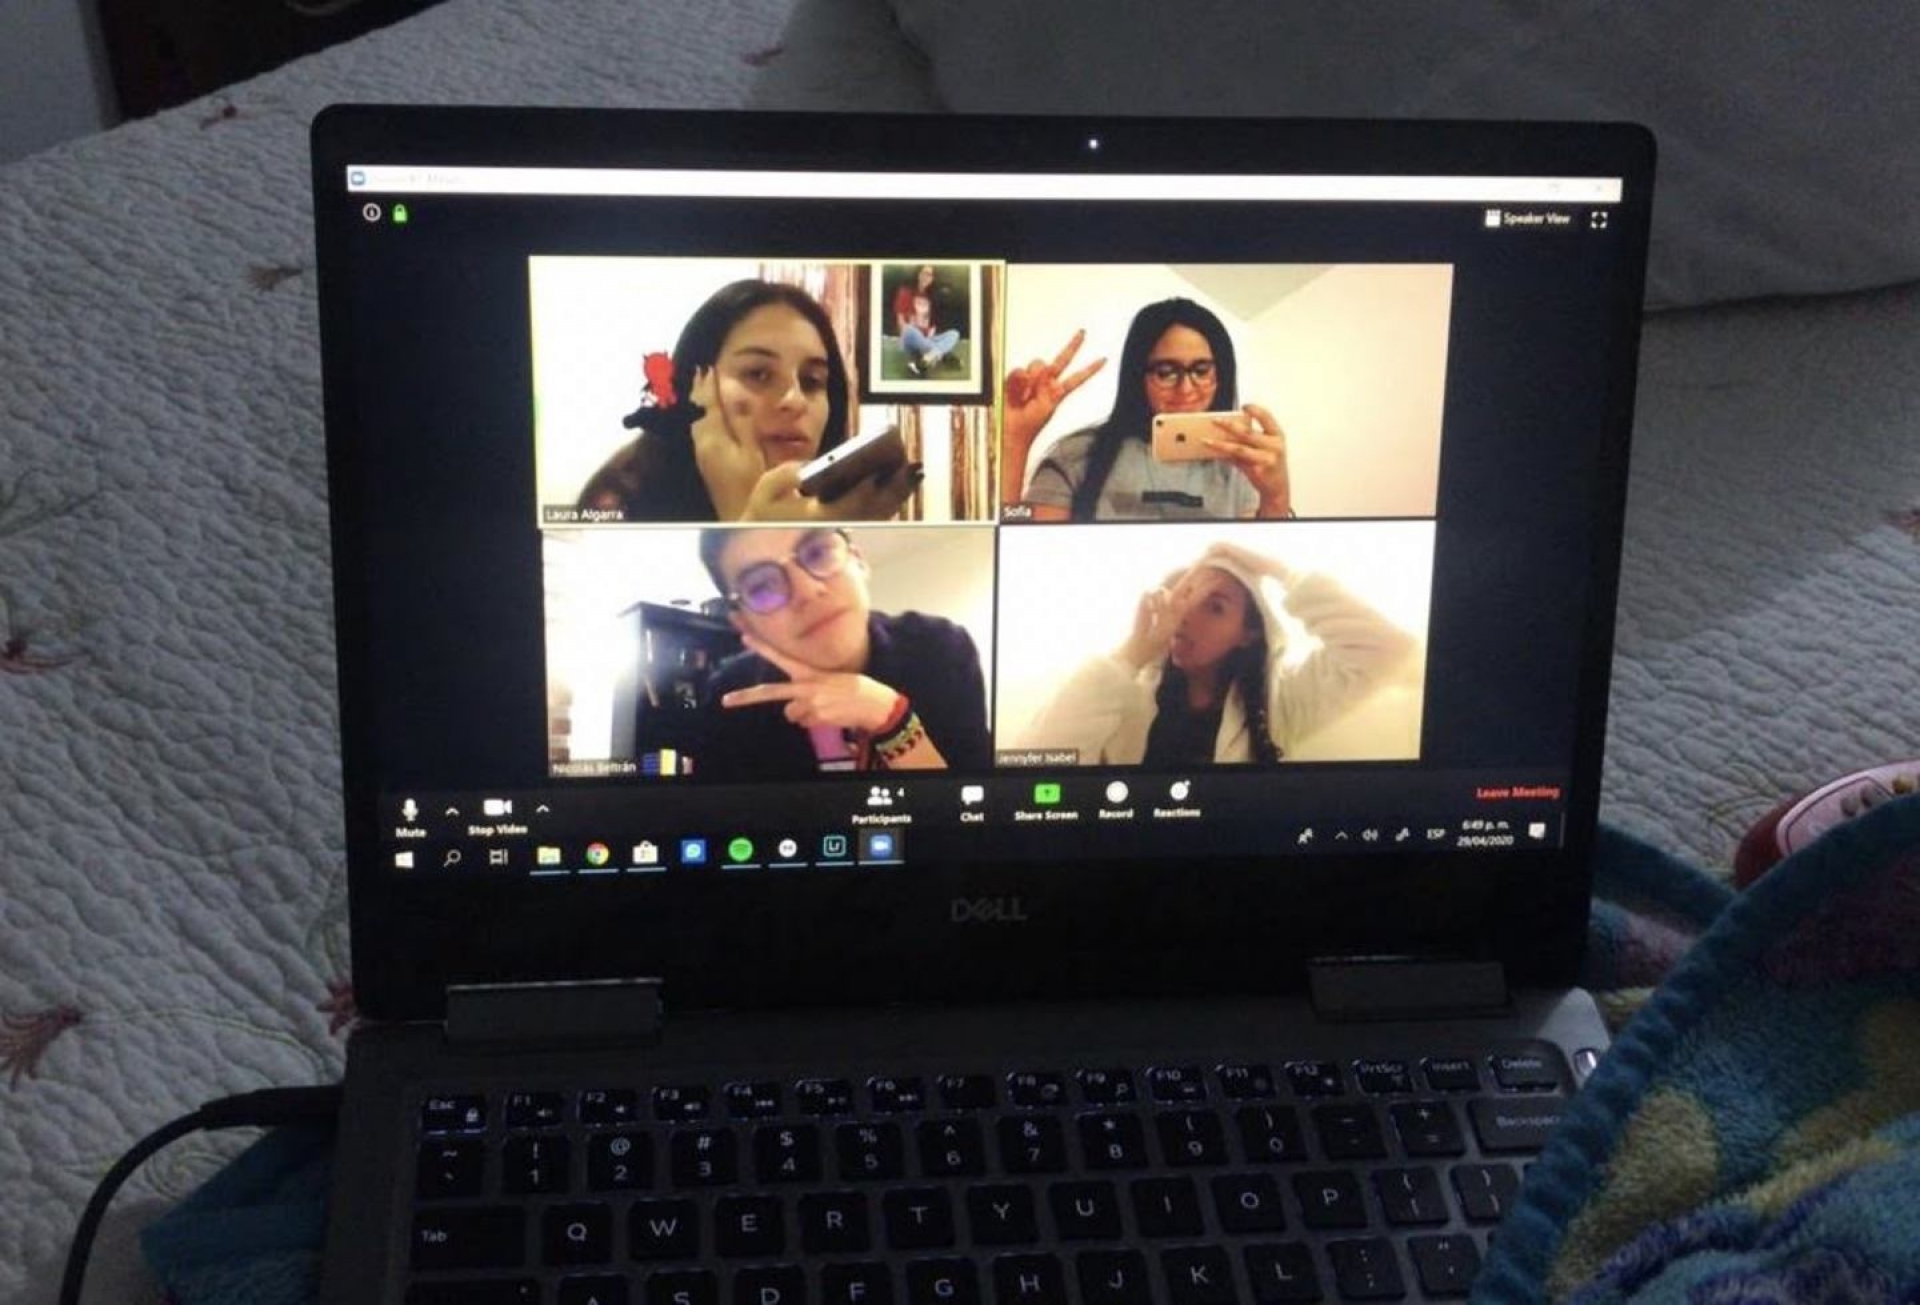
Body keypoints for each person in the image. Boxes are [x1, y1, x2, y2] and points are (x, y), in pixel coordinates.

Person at [1021, 542, 1416, 765]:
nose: (1186, 615)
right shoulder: (1116, 689)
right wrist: (1133, 653)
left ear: (1247, 634)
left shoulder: (1282, 702)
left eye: (1214, 607)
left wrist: (1276, 569)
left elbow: (1387, 647)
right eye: (1183, 596)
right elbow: (1036, 764)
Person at [578, 279, 920, 523]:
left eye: (812, 381)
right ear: (694, 386)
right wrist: (744, 517)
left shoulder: (840, 513)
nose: (795, 401)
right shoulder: (617, 503)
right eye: (758, 374)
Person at [689, 526, 991, 778]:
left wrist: (892, 720)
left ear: (858, 560)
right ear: (743, 622)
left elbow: (973, 811)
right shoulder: (731, 696)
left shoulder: (940, 649)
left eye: (818, 553)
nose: (807, 592)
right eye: (761, 587)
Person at [1001, 298, 1294, 521]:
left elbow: (1259, 570)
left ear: (1221, 375)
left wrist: (1276, 497)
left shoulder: (1243, 466)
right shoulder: (1077, 456)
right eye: (1166, 372)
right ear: (1137, 375)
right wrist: (1014, 441)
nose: (1186, 389)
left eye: (1201, 370)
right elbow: (1022, 553)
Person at [893, 265, 960, 375]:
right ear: (918, 274)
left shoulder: (931, 297)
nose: (926, 277)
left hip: (926, 339)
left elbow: (932, 327)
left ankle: (925, 360)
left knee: (954, 334)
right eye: (924, 273)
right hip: (909, 337)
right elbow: (901, 323)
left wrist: (928, 338)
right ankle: (943, 355)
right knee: (909, 329)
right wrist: (910, 333)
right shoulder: (905, 292)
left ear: (932, 279)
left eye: (930, 275)